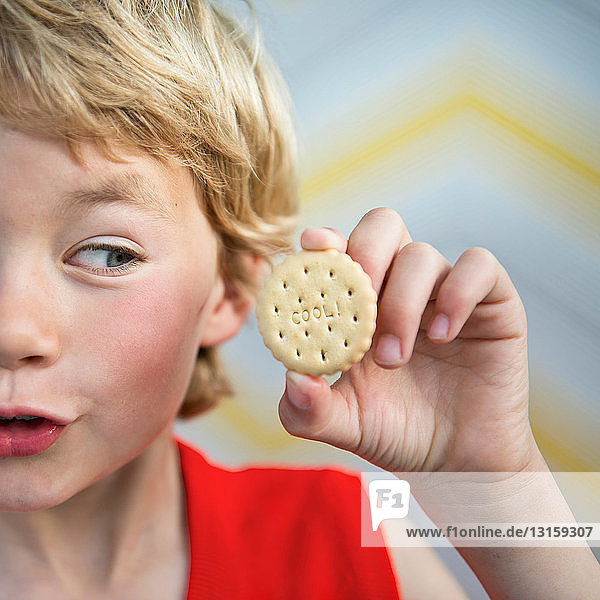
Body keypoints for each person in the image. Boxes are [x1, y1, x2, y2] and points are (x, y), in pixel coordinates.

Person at [0, 1, 598, 598]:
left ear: (230, 291)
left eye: (107, 254)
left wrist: (491, 481)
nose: (13, 331)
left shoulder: (340, 542)